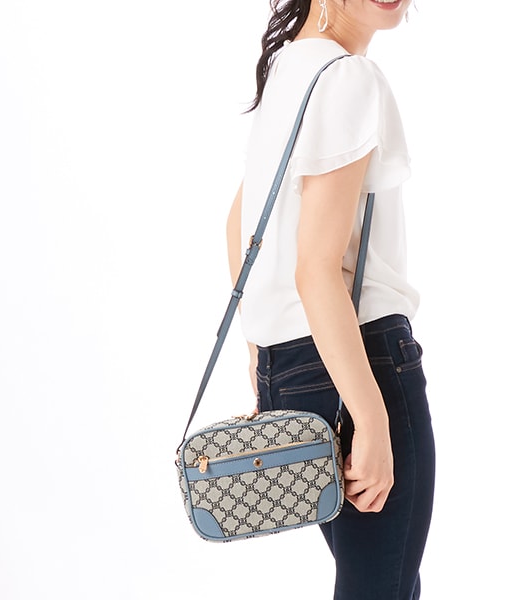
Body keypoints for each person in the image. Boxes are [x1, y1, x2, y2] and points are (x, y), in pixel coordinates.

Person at [225, 1, 436, 598]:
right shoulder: (348, 77)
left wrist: (263, 354)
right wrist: (371, 416)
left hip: (296, 369)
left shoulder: (292, 67)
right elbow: (315, 269)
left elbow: (239, 224)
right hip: (360, 367)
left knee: (384, 583)